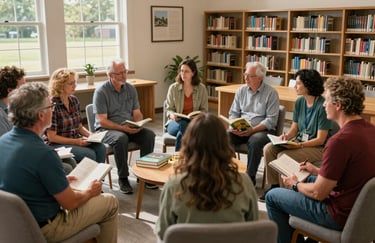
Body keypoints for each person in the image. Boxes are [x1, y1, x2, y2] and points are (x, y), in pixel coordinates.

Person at [0, 82, 119, 243]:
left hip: (13, 226)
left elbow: (26, 180)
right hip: (45, 228)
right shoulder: (44, 154)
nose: (53, 110)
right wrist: (90, 191)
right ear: (41, 115)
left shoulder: (3, 142)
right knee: (109, 202)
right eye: (51, 107)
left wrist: (60, 182)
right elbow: (71, 203)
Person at [266, 77, 375, 243]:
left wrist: (295, 184)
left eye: (327, 100)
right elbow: (353, 172)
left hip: (337, 213)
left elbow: (318, 193)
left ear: (338, 105)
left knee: (273, 196)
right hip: (361, 209)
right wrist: (318, 171)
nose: (324, 104)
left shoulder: (339, 141)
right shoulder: (370, 130)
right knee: (306, 177)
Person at [155, 113, 258, 240]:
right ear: (225, 144)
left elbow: (163, 234)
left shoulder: (174, 186)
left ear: (188, 144)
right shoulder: (244, 183)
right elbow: (253, 231)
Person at [260, 69, 338, 201]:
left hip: (319, 148)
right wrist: (286, 137)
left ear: (308, 85)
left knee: (283, 155)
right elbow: (294, 128)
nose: (295, 86)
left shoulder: (322, 106)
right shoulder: (300, 102)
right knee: (269, 148)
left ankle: (284, 193)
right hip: (300, 143)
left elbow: (320, 139)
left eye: (298, 83)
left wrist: (299, 145)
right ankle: (274, 186)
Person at [93, 59, 156, 194]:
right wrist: (122, 128)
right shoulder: (101, 92)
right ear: (110, 75)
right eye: (120, 73)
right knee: (121, 138)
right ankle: (123, 178)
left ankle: (144, 175)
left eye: (125, 72)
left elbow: (137, 113)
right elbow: (102, 121)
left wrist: (138, 123)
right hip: (107, 129)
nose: (124, 75)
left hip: (128, 126)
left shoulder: (130, 89)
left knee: (149, 135)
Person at [228, 61, 280, 185]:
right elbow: (233, 113)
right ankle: (230, 173)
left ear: (260, 78)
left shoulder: (271, 93)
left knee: (255, 141)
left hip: (262, 130)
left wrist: (253, 130)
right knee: (224, 136)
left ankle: (249, 177)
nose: (245, 78)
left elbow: (271, 120)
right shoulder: (241, 90)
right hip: (242, 127)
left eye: (249, 76)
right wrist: (232, 125)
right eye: (245, 74)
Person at [45, 68, 106, 164]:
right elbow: (52, 137)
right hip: (57, 145)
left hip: (75, 140)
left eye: (75, 82)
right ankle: (89, 177)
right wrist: (76, 142)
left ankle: (98, 178)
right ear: (60, 85)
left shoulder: (74, 100)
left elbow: (79, 127)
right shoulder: (52, 105)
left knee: (101, 148)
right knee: (90, 154)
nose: (75, 85)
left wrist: (91, 135)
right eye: (71, 83)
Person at [165, 58, 208, 151]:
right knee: (184, 125)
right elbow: (169, 109)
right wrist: (172, 116)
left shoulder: (201, 89)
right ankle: (193, 159)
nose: (183, 74)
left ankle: (179, 161)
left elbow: (204, 111)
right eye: (181, 71)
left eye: (186, 71)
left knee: (183, 131)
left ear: (193, 73)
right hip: (174, 123)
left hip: (194, 122)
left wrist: (197, 116)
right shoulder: (173, 88)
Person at [0, 65, 25, 135]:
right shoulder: (1, 115)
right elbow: (4, 144)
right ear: (10, 90)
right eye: (23, 86)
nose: (27, 90)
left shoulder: (16, 107)